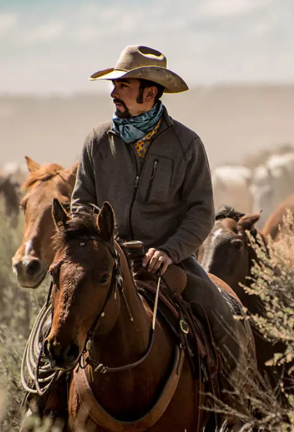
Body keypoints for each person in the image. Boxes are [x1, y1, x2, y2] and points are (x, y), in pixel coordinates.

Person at [71, 45, 243, 375]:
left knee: (225, 325)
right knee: (55, 324)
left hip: (168, 261)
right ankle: (39, 407)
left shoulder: (186, 144)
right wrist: (98, 245)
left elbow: (201, 212)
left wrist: (169, 250)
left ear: (149, 93)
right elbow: (82, 203)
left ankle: (231, 410)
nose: (113, 93)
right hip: (106, 260)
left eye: (123, 86)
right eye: (114, 85)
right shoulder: (96, 141)